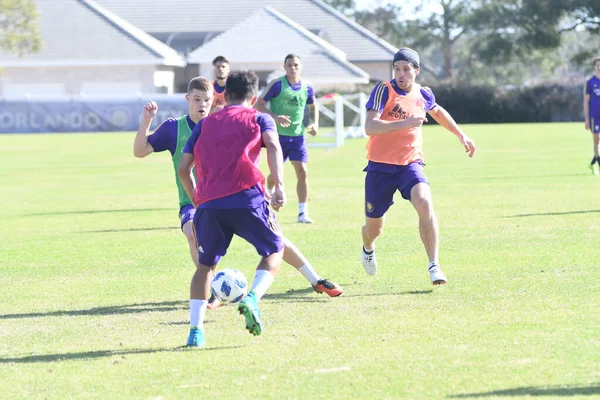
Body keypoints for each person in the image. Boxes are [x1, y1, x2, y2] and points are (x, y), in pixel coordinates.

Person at [178, 70, 286, 346]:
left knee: (205, 267)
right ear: (253, 96)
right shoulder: (261, 118)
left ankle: (196, 332)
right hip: (247, 197)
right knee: (275, 250)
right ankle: (252, 298)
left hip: (210, 203)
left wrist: (197, 199)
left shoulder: (205, 123)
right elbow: (273, 145)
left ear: (224, 95)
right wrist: (279, 186)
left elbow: (183, 169)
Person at [360, 48, 476, 285]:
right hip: (380, 167)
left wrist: (461, 135)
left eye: (406, 69)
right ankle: (368, 248)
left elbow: (438, 112)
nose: (401, 74)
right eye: (397, 69)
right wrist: (405, 123)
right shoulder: (384, 90)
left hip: (410, 163)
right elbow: (370, 127)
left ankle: (434, 265)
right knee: (374, 229)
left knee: (424, 202)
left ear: (416, 70)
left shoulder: (423, 93)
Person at [133, 76, 213, 269]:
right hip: (190, 202)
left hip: (220, 199)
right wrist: (146, 121)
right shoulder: (173, 128)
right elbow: (139, 151)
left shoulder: (220, 126)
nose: (202, 104)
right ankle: (208, 281)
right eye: (196, 99)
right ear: (187, 99)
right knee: (192, 232)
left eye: (206, 100)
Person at [255, 54, 319, 223]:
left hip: (298, 138)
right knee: (276, 176)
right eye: (289, 65)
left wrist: (313, 124)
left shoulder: (308, 87)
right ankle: (268, 191)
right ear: (284, 67)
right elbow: (258, 105)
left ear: (301, 66)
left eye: (296, 64)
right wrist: (275, 117)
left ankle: (302, 213)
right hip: (278, 137)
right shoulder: (277, 85)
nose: (293, 68)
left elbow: (312, 107)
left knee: (302, 172)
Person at [584, 56, 600, 175]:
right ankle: (597, 165)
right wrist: (587, 119)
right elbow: (586, 102)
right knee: (597, 140)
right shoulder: (590, 83)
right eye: (597, 65)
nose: (599, 67)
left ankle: (593, 163)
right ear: (594, 67)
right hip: (595, 116)